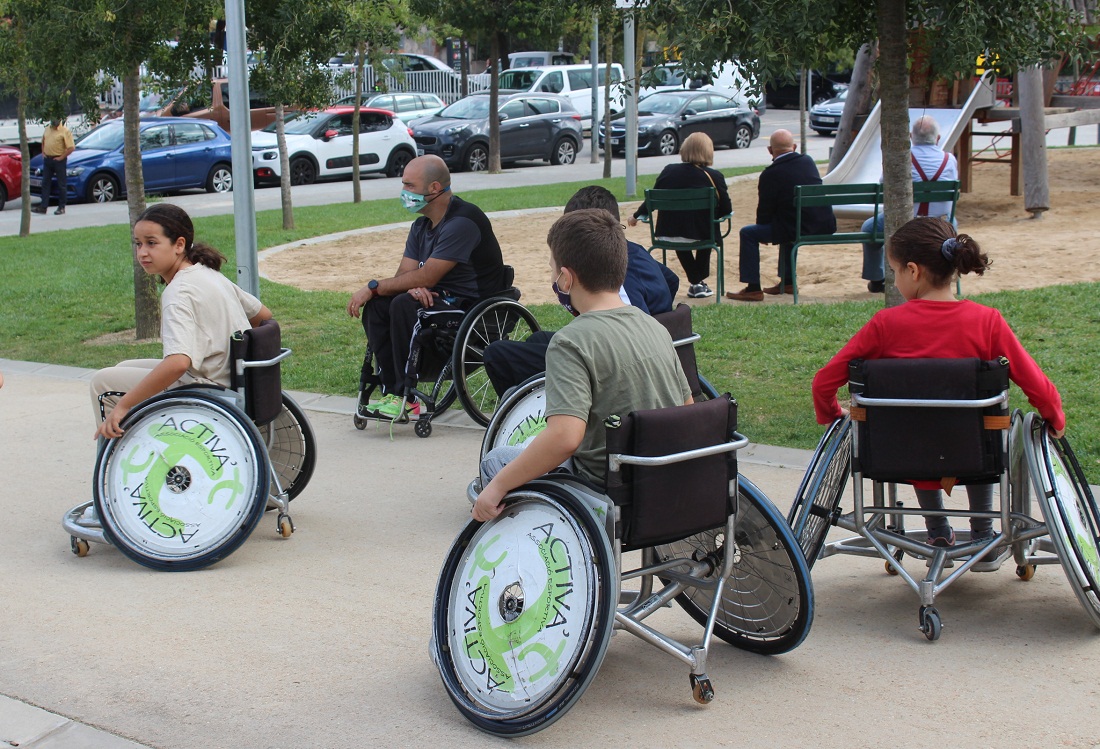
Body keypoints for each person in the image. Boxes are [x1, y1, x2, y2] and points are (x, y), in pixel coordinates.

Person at [812, 217, 1065, 546]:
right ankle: (984, 533)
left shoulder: (885, 324)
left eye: (895, 271)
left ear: (913, 271)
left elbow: (823, 382)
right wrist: (1054, 417)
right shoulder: (987, 322)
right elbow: (1035, 382)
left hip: (904, 451)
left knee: (918, 425)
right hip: (976, 453)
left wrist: (832, 416)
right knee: (981, 429)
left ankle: (937, 531)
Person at [472, 208, 692, 522]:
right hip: (662, 481)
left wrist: (496, 488)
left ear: (565, 277)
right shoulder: (655, 327)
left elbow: (564, 438)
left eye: (552, 268)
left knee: (495, 464)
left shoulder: (570, 341)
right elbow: (686, 406)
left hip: (603, 488)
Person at [91, 203, 272, 439]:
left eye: (151, 243)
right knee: (121, 367)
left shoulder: (178, 292)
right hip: (233, 380)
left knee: (102, 383)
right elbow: (264, 316)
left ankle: (118, 463)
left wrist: (124, 405)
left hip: (207, 389)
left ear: (179, 244)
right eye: (138, 243)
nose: (142, 252)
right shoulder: (207, 273)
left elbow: (178, 362)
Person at [347, 154, 505, 420]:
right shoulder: (420, 226)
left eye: (409, 185)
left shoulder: (463, 221)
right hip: (436, 300)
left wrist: (374, 286)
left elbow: (427, 276)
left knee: (399, 302)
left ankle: (404, 397)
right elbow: (406, 276)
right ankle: (393, 391)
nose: (403, 192)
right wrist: (400, 288)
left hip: (471, 308)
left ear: (434, 188)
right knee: (379, 306)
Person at [482, 185, 679, 396]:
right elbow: (672, 279)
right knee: (538, 340)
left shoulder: (618, 277)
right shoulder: (633, 251)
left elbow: (628, 333)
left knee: (498, 353)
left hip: (613, 363)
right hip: (633, 345)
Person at [727, 129, 836, 301]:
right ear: (794, 146)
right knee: (788, 225)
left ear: (770, 150)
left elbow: (765, 209)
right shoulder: (808, 161)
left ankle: (753, 287)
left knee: (748, 233)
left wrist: (762, 227)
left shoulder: (770, 174)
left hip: (796, 226)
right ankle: (788, 282)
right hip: (823, 223)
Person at [862, 115, 959, 293]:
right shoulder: (949, 160)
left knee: (869, 228)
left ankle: (876, 278)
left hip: (906, 221)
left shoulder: (900, 159)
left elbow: (884, 186)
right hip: (941, 222)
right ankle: (946, 276)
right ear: (937, 138)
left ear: (910, 136)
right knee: (953, 223)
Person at [628, 132, 731, 298]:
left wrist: (636, 216)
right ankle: (697, 282)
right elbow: (726, 209)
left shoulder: (669, 171)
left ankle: (696, 283)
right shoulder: (714, 176)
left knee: (679, 235)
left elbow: (652, 199)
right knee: (706, 232)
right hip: (704, 235)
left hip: (668, 234)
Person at [33, 118, 75, 216]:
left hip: (59, 160)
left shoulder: (65, 131)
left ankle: (61, 207)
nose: (54, 121)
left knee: (61, 184)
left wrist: (61, 157)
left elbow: (71, 147)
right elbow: (43, 141)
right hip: (48, 160)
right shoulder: (48, 129)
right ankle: (43, 207)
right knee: (45, 183)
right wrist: (43, 152)